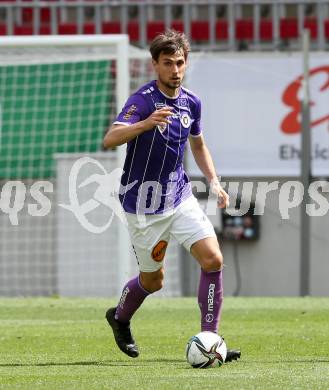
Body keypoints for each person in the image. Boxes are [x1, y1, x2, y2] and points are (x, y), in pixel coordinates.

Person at [103, 30, 240, 363]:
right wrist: (146, 124)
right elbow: (111, 138)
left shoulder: (192, 102)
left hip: (179, 198)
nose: (175, 70)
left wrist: (214, 181)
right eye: (168, 63)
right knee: (154, 281)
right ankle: (119, 318)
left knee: (214, 259)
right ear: (155, 65)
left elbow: (198, 144)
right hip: (143, 207)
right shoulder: (142, 100)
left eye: (180, 63)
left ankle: (210, 338)